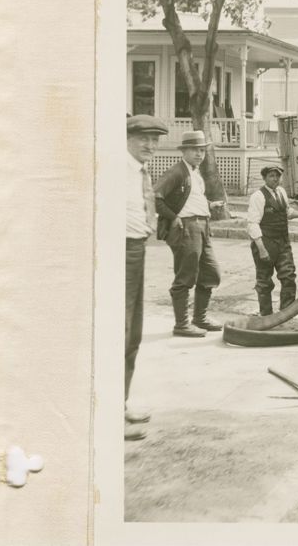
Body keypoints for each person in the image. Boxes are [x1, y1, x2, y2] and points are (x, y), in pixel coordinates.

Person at [154, 130, 224, 337]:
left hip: (203, 226)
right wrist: (173, 217)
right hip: (187, 228)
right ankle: (181, 324)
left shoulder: (195, 172)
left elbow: (191, 199)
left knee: (211, 273)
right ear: (184, 150)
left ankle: (199, 318)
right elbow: (154, 197)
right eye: (194, 150)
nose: (199, 154)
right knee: (185, 276)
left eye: (202, 150)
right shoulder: (177, 171)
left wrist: (210, 204)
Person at [125, 114, 168, 441]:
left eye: (154, 139)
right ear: (127, 138)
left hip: (137, 250)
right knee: (120, 331)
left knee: (133, 333)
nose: (150, 145)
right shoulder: (116, 169)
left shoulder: (140, 171)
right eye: (143, 139)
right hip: (120, 250)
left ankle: (120, 402)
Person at [247, 165, 298, 315]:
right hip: (265, 243)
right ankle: (266, 315)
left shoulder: (281, 192)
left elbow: (288, 212)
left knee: (288, 276)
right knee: (264, 282)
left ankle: (286, 314)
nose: (275, 179)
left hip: (283, 242)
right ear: (265, 178)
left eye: (277, 176)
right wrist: (261, 249)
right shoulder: (258, 196)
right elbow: (252, 224)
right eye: (271, 176)